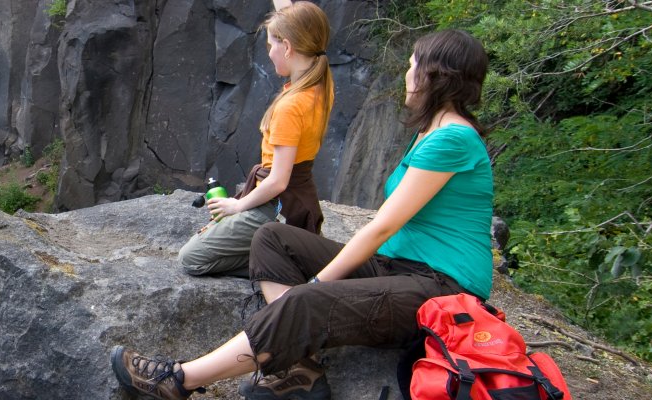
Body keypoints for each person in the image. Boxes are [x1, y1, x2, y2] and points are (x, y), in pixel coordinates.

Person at [112, 29, 493, 400]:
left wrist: (317, 283)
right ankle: (300, 367)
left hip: (442, 289)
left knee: (306, 298)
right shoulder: (431, 131)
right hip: (397, 267)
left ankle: (179, 380)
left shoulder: (452, 139)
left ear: (434, 75)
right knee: (271, 238)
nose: (407, 75)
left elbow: (382, 227)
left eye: (413, 66)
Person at [177, 1, 334, 278]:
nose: (269, 53)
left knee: (191, 259)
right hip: (299, 201)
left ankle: (281, 261)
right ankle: (284, 250)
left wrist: (237, 206)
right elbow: (298, 20)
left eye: (271, 45)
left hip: (276, 207)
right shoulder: (321, 86)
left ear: (287, 47)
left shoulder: (290, 106)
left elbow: (279, 181)